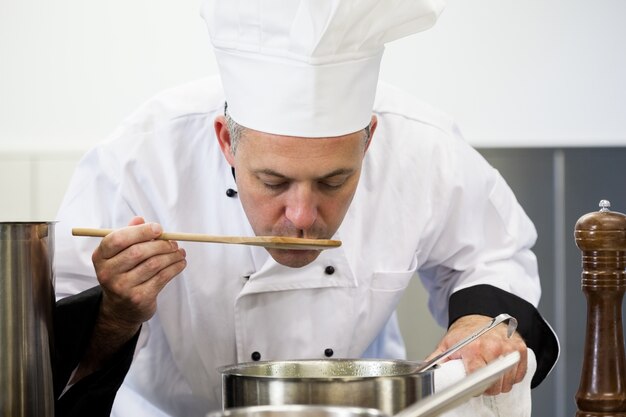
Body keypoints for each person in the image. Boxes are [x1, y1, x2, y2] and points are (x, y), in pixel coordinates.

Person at [53, 0, 559, 416]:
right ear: (226, 142)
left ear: (369, 142)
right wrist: (116, 313)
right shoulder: (139, 161)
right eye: (273, 181)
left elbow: (496, 253)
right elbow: (50, 363)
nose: (300, 217)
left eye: (333, 180)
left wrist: (482, 324)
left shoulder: (422, 149)